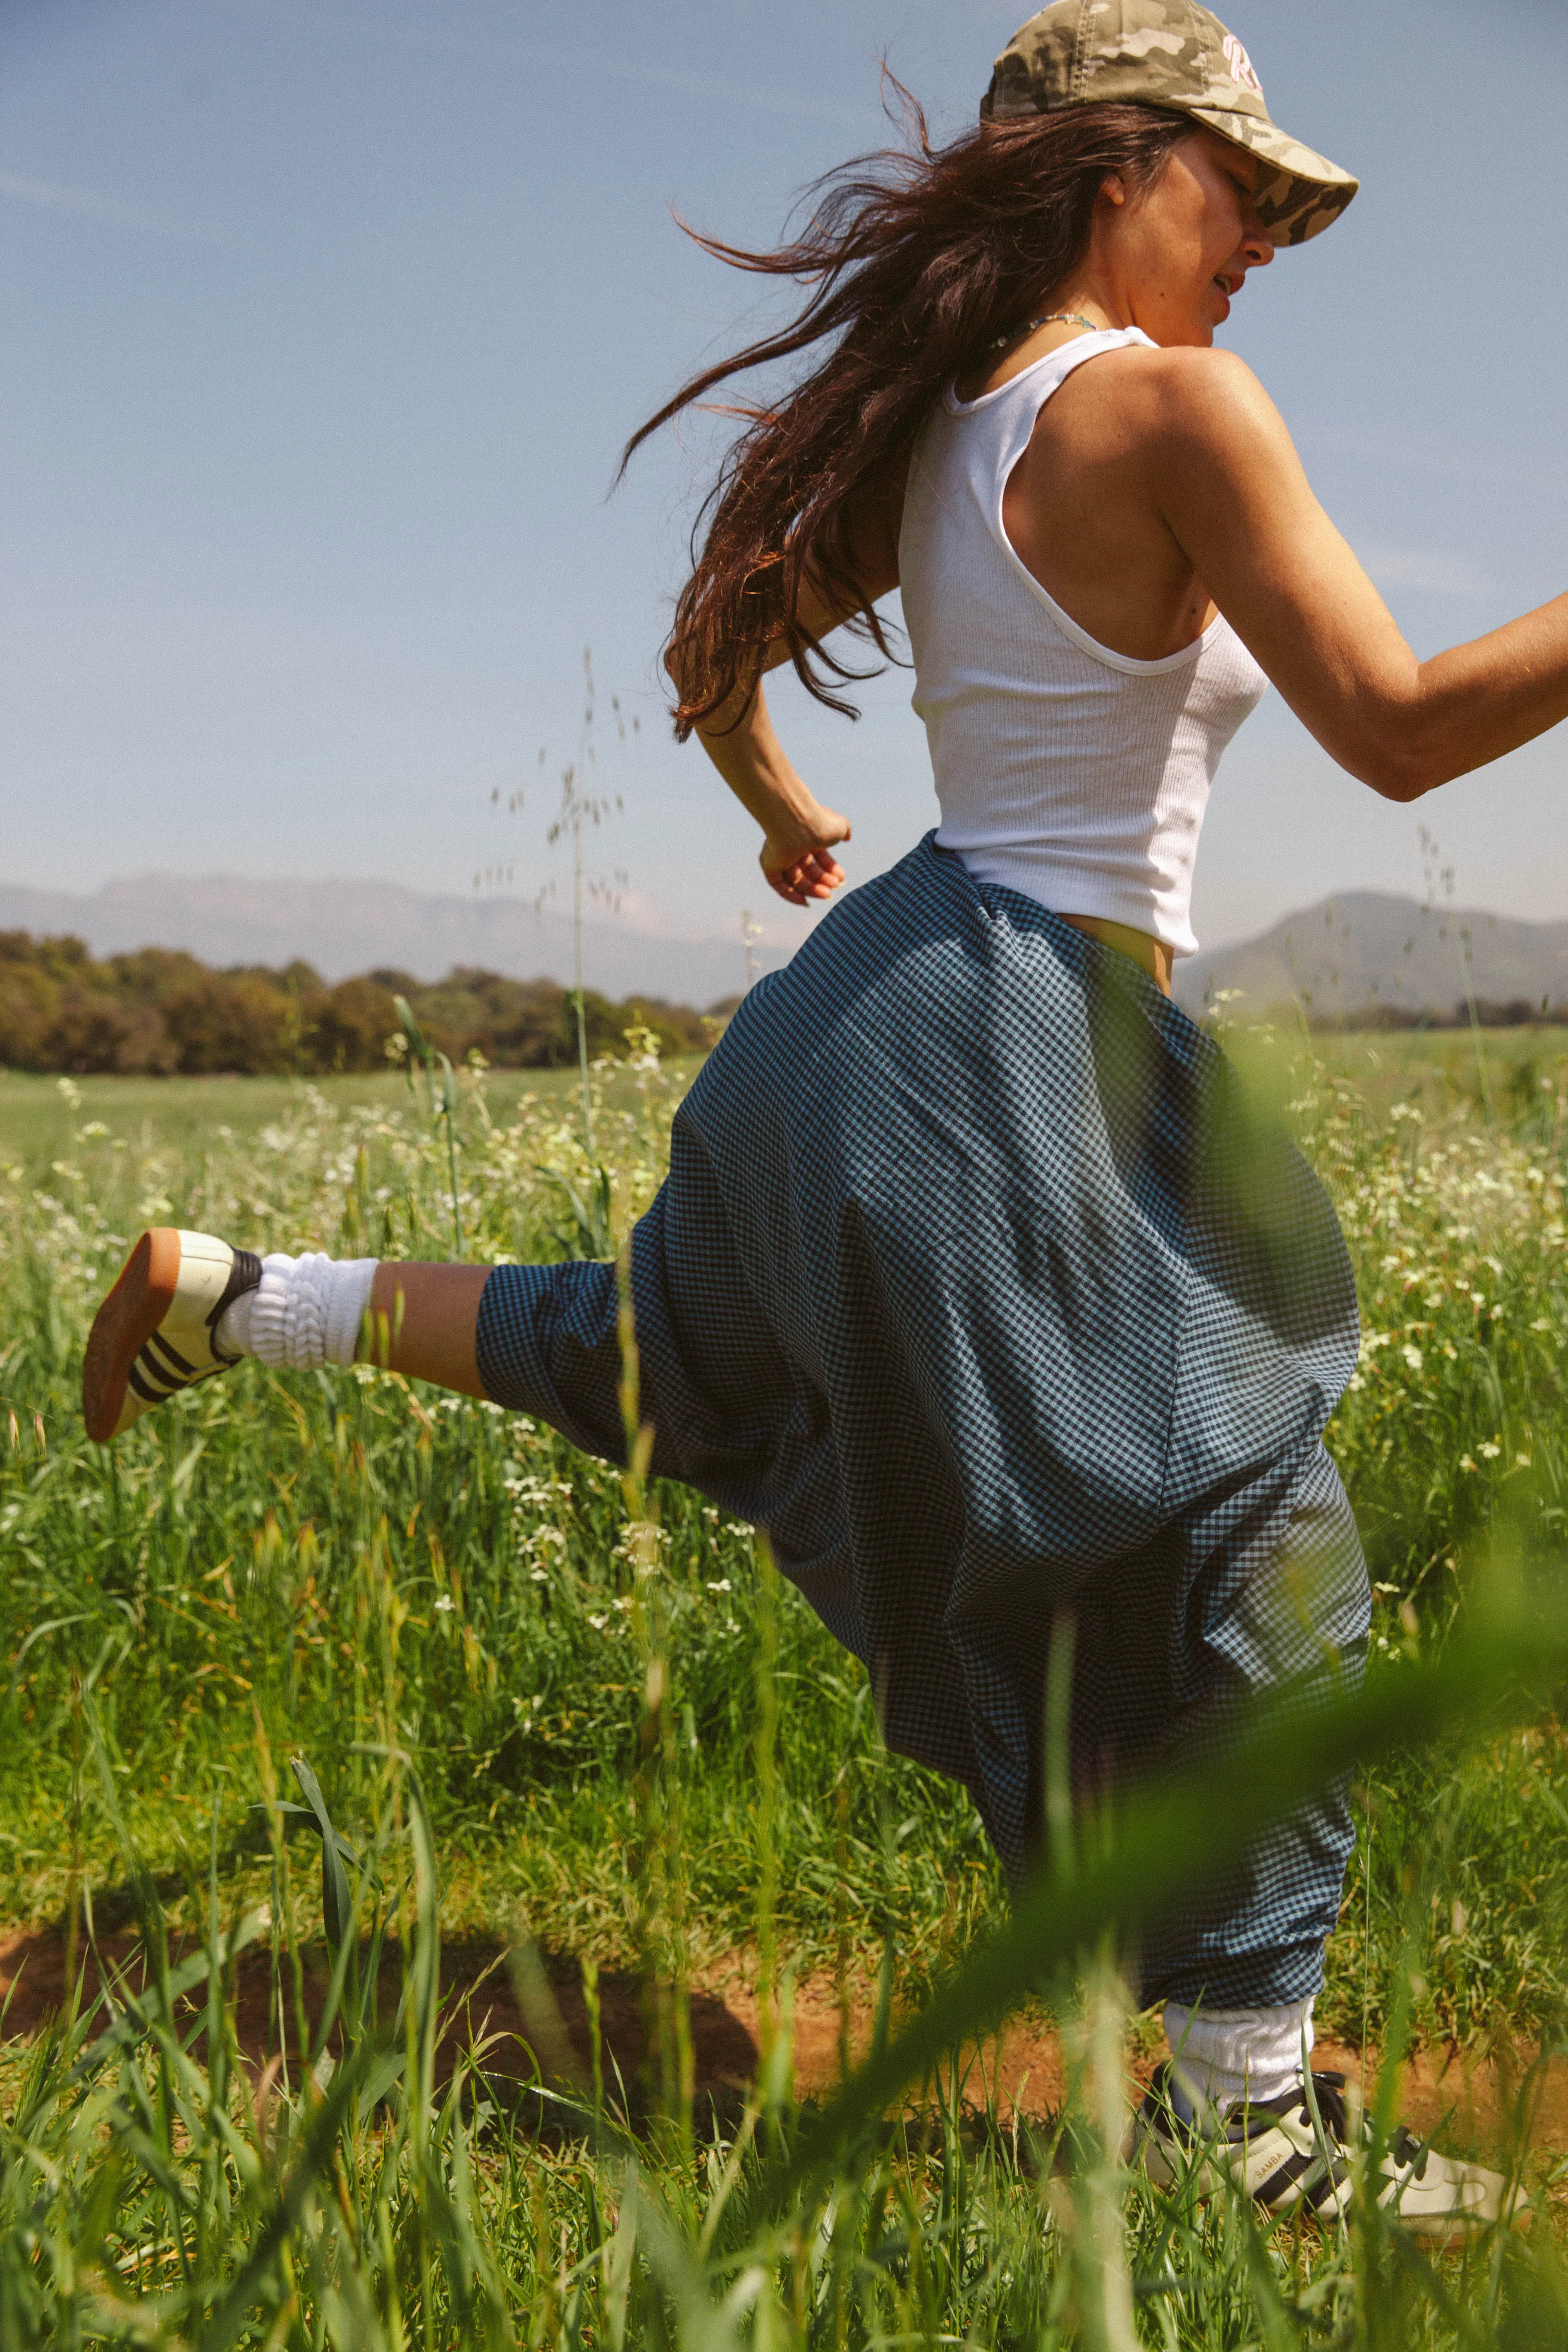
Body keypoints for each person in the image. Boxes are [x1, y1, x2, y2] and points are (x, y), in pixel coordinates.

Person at [83, 2, 1538, 2231]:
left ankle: (237, 1295)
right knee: (1263, 1526)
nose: (1261, 239)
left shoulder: (958, 436)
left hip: (859, 1020)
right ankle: (1248, 2116)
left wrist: (785, 814)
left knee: (659, 1359)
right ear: (1111, 165)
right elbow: (1410, 727)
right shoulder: (1169, 405)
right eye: (1236, 187)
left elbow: (711, 644)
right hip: (1029, 1032)